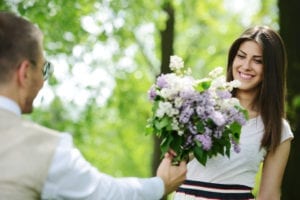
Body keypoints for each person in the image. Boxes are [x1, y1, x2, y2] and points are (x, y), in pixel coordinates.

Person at [0, 11, 187, 199]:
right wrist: (162, 183)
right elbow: (106, 194)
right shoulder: (45, 150)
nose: (43, 81)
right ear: (24, 73)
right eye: (44, 69)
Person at [173, 26, 294, 200]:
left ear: (271, 69)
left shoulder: (277, 128)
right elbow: (172, 162)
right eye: (241, 56)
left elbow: (270, 194)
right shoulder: (202, 104)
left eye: (257, 60)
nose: (246, 66)